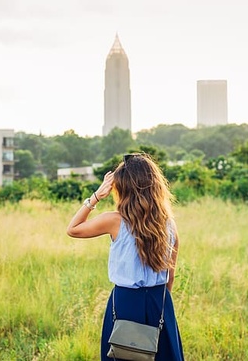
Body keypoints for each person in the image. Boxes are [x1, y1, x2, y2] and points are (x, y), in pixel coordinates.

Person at [67, 152, 184, 361]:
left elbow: (73, 229)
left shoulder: (114, 221)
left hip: (126, 302)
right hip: (160, 301)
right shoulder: (169, 225)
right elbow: (171, 276)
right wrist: (159, 304)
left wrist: (96, 196)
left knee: (123, 354)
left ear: (122, 188)